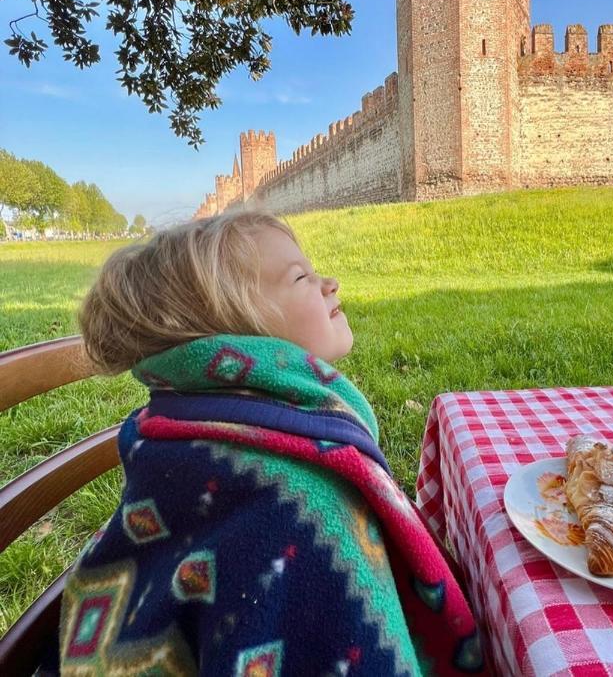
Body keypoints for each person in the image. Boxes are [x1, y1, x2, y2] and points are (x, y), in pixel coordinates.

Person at [58, 208, 487, 676]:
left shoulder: (188, 422)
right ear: (239, 328)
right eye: (301, 276)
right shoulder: (306, 507)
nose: (331, 283)